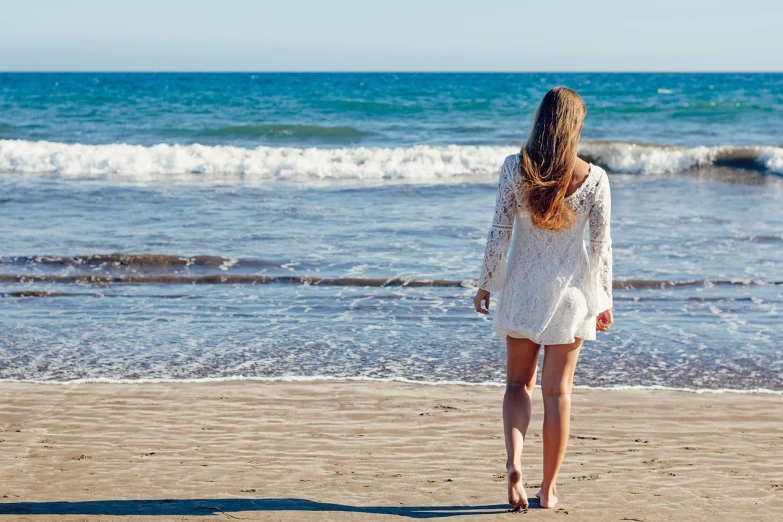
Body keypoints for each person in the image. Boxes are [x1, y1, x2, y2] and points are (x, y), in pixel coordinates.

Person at [473, 87, 613, 511]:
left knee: (518, 385)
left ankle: (514, 464)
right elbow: (602, 245)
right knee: (558, 393)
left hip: (521, 290)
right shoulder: (594, 179)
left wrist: (485, 282)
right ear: (575, 127)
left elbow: (500, 230)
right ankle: (548, 489)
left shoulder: (516, 168)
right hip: (571, 296)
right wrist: (602, 298)